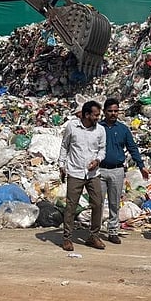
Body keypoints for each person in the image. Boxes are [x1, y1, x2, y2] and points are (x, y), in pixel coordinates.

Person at [99, 98, 150, 244]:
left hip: (117, 170)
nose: (113, 114)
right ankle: (94, 231)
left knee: (115, 202)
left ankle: (113, 231)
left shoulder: (123, 129)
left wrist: (141, 166)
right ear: (104, 112)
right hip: (100, 170)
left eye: (116, 111)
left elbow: (132, 148)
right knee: (98, 202)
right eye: (110, 111)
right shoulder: (98, 128)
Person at [58, 100, 107, 251]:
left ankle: (93, 236)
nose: (98, 118)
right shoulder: (72, 127)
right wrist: (61, 165)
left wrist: (98, 160)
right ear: (87, 115)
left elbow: (102, 149)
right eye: (96, 115)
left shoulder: (100, 130)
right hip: (75, 172)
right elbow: (65, 146)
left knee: (98, 204)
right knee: (71, 206)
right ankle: (67, 238)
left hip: (93, 173)